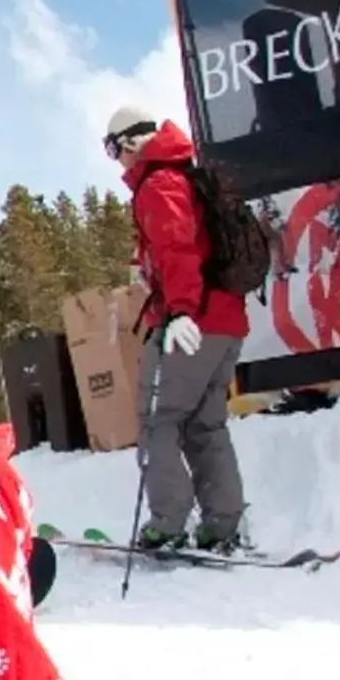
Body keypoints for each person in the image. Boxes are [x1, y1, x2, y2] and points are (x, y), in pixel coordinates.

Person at [106, 104, 250, 553]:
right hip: (225, 321)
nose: (117, 161)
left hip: (190, 323)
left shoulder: (159, 183)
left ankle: (167, 523)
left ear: (131, 141)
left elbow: (177, 249)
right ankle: (221, 525)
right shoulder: (187, 175)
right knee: (206, 425)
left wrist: (181, 309)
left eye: (114, 149)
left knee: (158, 421)